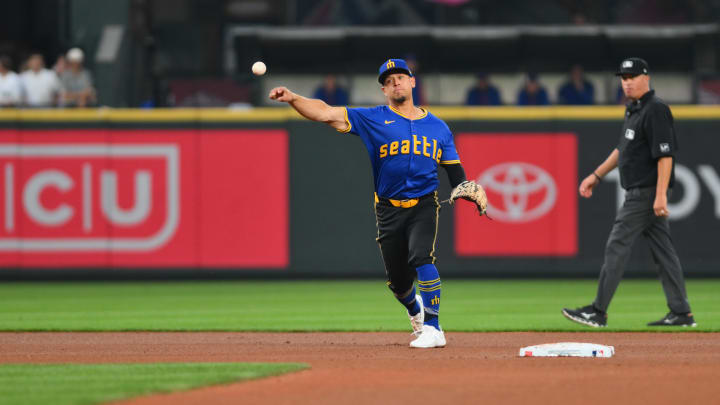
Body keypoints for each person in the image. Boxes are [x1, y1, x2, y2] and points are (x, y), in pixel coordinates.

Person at [269, 58, 471, 348]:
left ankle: (433, 327)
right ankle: (414, 309)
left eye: (400, 77)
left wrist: (465, 187)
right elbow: (325, 112)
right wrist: (293, 98)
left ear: (413, 82)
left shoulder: (438, 128)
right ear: (384, 91)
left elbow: (455, 172)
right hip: (388, 209)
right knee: (399, 284)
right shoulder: (372, 118)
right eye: (389, 81)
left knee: (421, 257)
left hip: (424, 204)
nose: (395, 83)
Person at [563, 57, 696, 328]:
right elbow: (622, 149)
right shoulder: (634, 110)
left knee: (616, 245)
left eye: (632, 77)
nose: (627, 82)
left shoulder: (656, 109)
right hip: (640, 191)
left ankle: (598, 311)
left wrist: (660, 195)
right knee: (664, 252)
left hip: (644, 193)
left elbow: (665, 156)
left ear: (646, 77)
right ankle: (681, 312)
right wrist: (597, 175)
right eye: (623, 78)